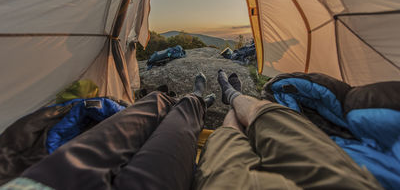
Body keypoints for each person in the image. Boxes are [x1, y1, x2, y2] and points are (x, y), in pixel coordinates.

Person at [1, 73, 215, 190]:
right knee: (179, 130)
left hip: (50, 180)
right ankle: (196, 99)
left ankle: (184, 101)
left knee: (156, 102)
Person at [193, 70, 383, 190]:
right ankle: (232, 95)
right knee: (261, 111)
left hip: (229, 183)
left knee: (231, 131)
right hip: (341, 181)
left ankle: (231, 94)